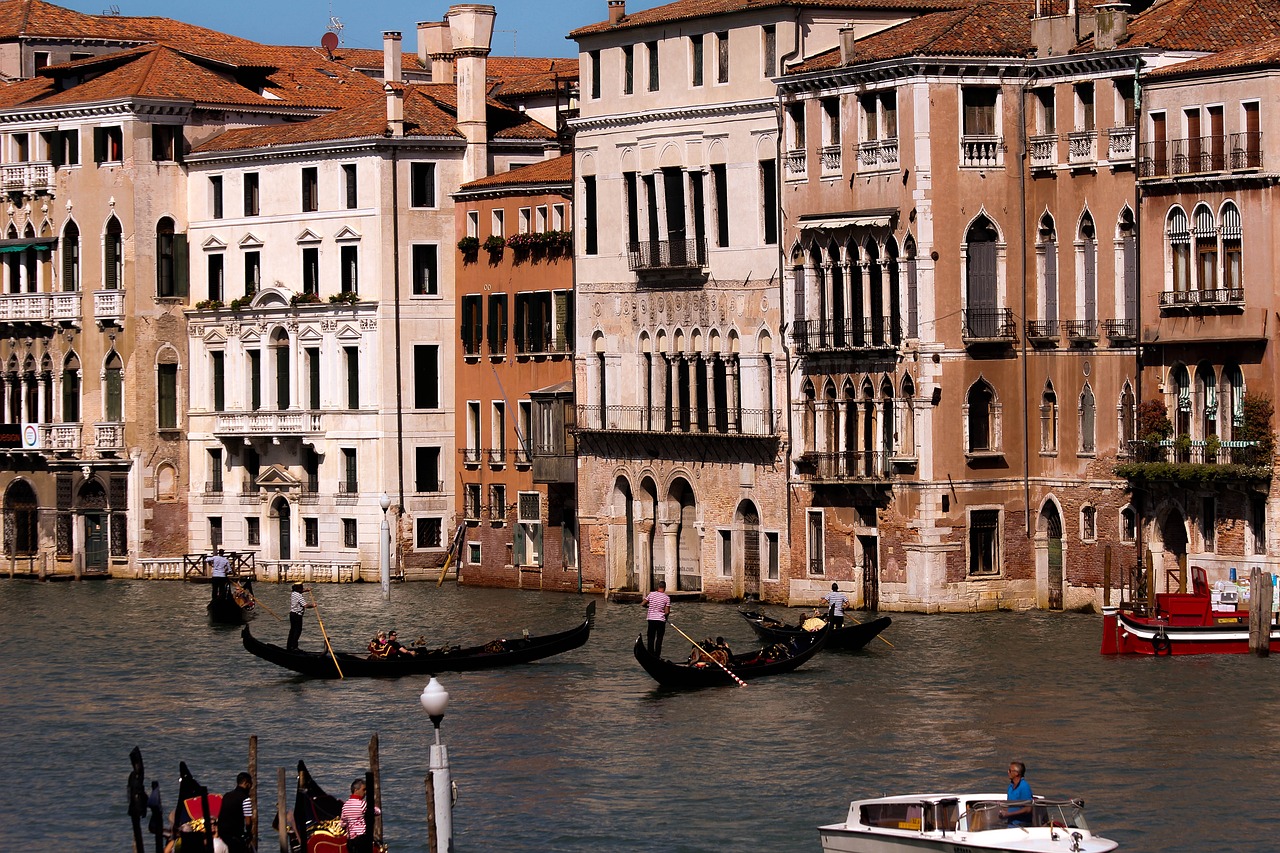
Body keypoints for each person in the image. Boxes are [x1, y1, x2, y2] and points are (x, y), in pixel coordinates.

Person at [340, 778, 380, 853]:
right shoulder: (362, 804)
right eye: (363, 790)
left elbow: (342, 823)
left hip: (350, 840)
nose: (365, 792)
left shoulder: (345, 806)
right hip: (362, 839)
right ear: (356, 790)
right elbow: (378, 811)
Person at [217, 772, 253, 853]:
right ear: (246, 783)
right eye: (250, 784)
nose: (251, 787)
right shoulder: (245, 799)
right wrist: (248, 833)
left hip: (222, 834)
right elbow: (248, 822)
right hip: (235, 836)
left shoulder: (226, 795)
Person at [642, 580, 671, 657]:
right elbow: (667, 612)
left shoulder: (651, 594)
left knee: (651, 638)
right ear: (664, 588)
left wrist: (648, 607)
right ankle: (657, 656)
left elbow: (643, 603)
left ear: (658, 587)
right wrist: (666, 617)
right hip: (661, 620)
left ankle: (650, 654)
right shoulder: (666, 598)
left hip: (651, 619)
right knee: (659, 639)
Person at [999, 760, 1033, 827]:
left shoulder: (1024, 787)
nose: (1008, 772)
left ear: (1016, 773)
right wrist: (1002, 812)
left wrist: (1009, 814)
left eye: (1010, 770)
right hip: (1010, 825)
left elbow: (1028, 808)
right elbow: (1009, 804)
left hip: (1021, 826)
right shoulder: (1010, 787)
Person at [287, 584, 314, 651]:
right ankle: (294, 647)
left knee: (292, 630)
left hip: (292, 614)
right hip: (297, 616)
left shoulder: (293, 593)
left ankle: (289, 646)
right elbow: (306, 605)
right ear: (299, 589)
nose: (302, 589)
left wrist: (306, 590)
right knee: (297, 631)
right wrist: (313, 605)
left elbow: (300, 591)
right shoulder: (299, 596)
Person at [146, 781, 164, 853]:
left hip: (154, 823)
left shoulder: (154, 795)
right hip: (156, 823)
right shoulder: (155, 795)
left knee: (159, 841)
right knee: (159, 841)